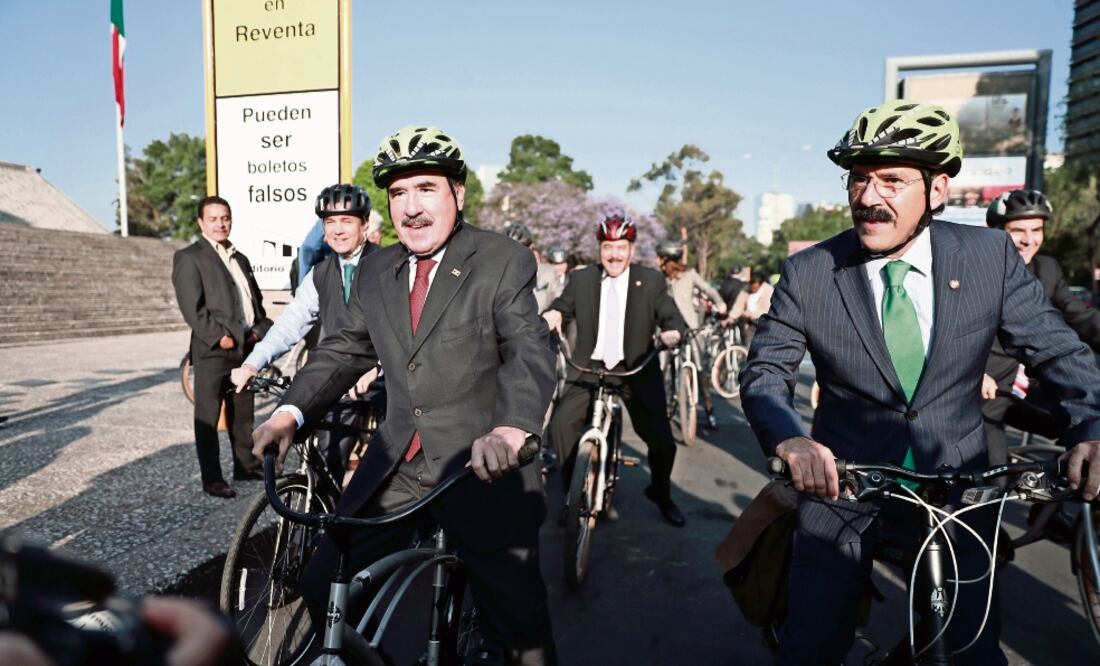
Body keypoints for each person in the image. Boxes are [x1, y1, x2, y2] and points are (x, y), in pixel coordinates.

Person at [739, 99, 1100, 665]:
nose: (868, 196)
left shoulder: (989, 256)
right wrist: (790, 438)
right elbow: (766, 371)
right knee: (811, 646)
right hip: (844, 491)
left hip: (957, 490)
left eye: (891, 181)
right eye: (858, 179)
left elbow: (1056, 348)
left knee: (969, 652)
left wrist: (1091, 425)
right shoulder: (809, 272)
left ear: (937, 190)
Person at [250, 125, 558, 664]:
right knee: (323, 587)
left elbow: (528, 348)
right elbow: (343, 349)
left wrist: (512, 427)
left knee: (520, 635)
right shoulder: (376, 269)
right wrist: (289, 415)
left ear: (458, 193)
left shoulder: (501, 260)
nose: (411, 208)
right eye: (398, 193)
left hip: (479, 466)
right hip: (399, 467)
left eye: (425, 189)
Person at [231, 184, 381, 485]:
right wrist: (252, 363)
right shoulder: (320, 274)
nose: (337, 230)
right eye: (330, 222)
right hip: (339, 379)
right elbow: (290, 324)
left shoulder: (389, 265)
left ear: (364, 225)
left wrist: (379, 367)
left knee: (392, 471)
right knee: (324, 464)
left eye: (347, 220)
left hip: (386, 380)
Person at [543, 215, 687, 526]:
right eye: (608, 247)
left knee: (662, 442)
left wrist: (672, 332)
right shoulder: (582, 279)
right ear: (600, 249)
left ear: (631, 249)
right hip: (590, 366)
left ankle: (661, 493)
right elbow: (562, 306)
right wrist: (552, 315)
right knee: (561, 426)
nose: (614, 255)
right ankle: (572, 494)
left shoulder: (651, 280)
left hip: (635, 368)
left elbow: (670, 314)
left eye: (621, 247)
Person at [980, 188, 1100, 465]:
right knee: (991, 472)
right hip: (984, 392)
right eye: (1017, 231)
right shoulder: (975, 270)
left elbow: (1081, 316)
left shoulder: (1047, 268)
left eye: (1036, 230)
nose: (1029, 240)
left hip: (1026, 389)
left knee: (1085, 432)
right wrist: (975, 373)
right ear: (995, 231)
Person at [172, 196, 272, 498]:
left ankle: (245, 466)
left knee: (243, 412)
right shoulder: (189, 257)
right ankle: (212, 478)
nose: (220, 224)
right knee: (208, 416)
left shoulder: (240, 259)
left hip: (245, 348)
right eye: (213, 219)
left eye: (225, 218)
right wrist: (219, 337)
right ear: (201, 222)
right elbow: (192, 308)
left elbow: (256, 304)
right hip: (213, 351)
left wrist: (258, 332)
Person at [655, 238, 727, 429]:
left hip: (691, 328)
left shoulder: (689, 274)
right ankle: (663, 406)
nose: (656, 260)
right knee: (660, 368)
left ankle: (709, 410)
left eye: (659, 257)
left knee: (700, 368)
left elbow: (708, 289)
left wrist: (720, 303)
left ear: (666, 259)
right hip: (667, 329)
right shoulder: (658, 278)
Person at [503, 222, 559, 313]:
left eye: (522, 247)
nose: (516, 253)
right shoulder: (494, 272)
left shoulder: (548, 272)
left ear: (531, 247)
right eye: (511, 247)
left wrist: (552, 314)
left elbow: (559, 299)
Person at [729, 271, 772, 348]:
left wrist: (752, 313)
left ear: (761, 284)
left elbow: (767, 310)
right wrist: (731, 317)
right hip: (747, 322)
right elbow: (739, 305)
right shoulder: (746, 288)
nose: (753, 289)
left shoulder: (769, 291)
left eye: (755, 288)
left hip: (762, 322)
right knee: (746, 341)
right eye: (752, 287)